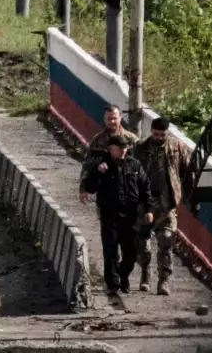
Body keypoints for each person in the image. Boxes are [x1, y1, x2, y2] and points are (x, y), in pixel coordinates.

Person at [80, 123, 150, 303]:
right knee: (110, 250)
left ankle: (122, 274)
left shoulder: (134, 165)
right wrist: (98, 173)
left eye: (125, 148)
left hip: (130, 216)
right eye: (120, 149)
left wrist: (149, 209)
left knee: (131, 252)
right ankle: (112, 284)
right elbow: (90, 186)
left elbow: (145, 188)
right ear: (111, 149)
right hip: (110, 215)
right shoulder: (101, 165)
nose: (124, 152)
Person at [136, 117, 184, 295]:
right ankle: (145, 274)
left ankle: (164, 281)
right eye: (156, 134)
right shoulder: (140, 148)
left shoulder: (176, 147)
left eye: (162, 135)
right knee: (143, 244)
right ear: (151, 131)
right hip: (144, 204)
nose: (159, 137)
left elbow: (188, 170)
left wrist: (190, 198)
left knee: (165, 240)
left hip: (166, 204)